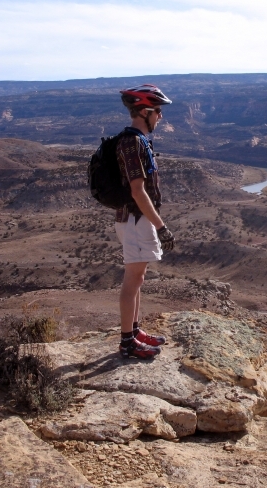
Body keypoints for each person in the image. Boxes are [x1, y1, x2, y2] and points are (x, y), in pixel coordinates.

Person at [115, 84, 175, 359]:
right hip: (136, 220)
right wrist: (161, 227)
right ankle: (127, 342)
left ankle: (134, 330)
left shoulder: (138, 140)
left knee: (138, 277)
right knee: (132, 279)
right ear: (144, 111)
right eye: (158, 111)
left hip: (136, 220)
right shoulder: (132, 142)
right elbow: (138, 191)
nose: (160, 117)